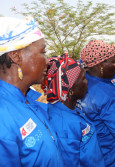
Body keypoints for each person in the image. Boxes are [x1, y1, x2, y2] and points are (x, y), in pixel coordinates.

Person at [0, 17, 64, 166]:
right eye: (43, 51)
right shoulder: (3, 113)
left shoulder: (27, 100)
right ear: (16, 56)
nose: (48, 61)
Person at [77, 40, 115, 167]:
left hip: (96, 154)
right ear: (100, 64)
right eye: (113, 62)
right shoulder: (106, 92)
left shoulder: (82, 82)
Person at [42, 53, 105, 167]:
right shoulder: (63, 124)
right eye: (83, 79)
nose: (87, 82)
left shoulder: (69, 110)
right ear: (70, 89)